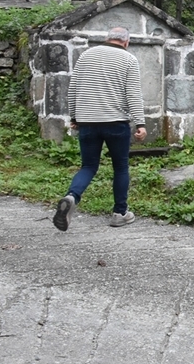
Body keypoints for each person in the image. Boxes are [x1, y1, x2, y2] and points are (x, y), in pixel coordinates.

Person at [53, 26, 146, 231]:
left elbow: (73, 88)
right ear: (126, 42)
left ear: (107, 38)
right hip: (116, 123)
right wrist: (140, 123)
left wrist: (75, 117)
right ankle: (119, 213)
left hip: (88, 122)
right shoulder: (129, 59)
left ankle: (71, 196)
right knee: (120, 167)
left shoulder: (86, 56)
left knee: (88, 166)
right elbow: (133, 94)